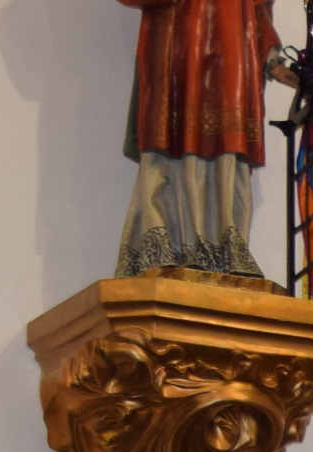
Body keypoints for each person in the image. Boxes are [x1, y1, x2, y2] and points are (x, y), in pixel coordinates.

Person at [116, 0, 290, 280]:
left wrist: (272, 59)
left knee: (227, 143)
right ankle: (168, 244)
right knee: (173, 142)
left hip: (231, 63)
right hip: (177, 46)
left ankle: (223, 247)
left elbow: (257, 9)